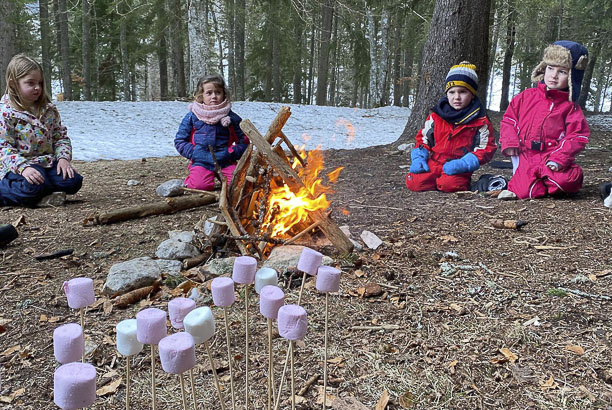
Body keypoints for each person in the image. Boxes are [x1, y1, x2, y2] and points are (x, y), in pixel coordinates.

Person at [499, 40, 589, 200]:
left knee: (567, 181)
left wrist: (560, 157)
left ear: (572, 76)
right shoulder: (525, 97)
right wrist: (510, 142)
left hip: (551, 155)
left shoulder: (571, 107)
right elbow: (509, 120)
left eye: (562, 71)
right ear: (543, 68)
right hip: (526, 153)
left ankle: (554, 179)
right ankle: (535, 181)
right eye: (550, 68)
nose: (553, 75)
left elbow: (577, 136)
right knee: (526, 193)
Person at [0, 54, 82, 207]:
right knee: (33, 187)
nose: (37, 87)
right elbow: (4, 148)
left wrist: (63, 159)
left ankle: (42, 190)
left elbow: (60, 137)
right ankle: (8, 191)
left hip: (47, 163)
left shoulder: (49, 110)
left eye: (40, 83)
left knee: (73, 181)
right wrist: (23, 168)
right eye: (30, 83)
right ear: (13, 83)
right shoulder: (5, 112)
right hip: (18, 168)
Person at [405, 62, 497, 193]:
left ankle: (458, 181)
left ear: (472, 94)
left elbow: (486, 148)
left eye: (463, 92)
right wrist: (419, 157)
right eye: (452, 92)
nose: (457, 97)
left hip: (459, 165)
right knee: (414, 183)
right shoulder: (436, 116)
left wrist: (465, 164)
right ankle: (436, 179)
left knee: (450, 185)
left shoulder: (480, 121)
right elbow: (423, 139)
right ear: (446, 94)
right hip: (435, 161)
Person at [174, 74, 250, 191]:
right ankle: (193, 178)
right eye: (209, 93)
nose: (214, 96)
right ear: (201, 96)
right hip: (201, 161)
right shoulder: (192, 117)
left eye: (218, 92)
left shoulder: (232, 117)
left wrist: (231, 153)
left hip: (226, 161)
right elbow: (180, 141)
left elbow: (244, 142)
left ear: (224, 94)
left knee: (238, 186)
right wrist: (195, 153)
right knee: (199, 187)